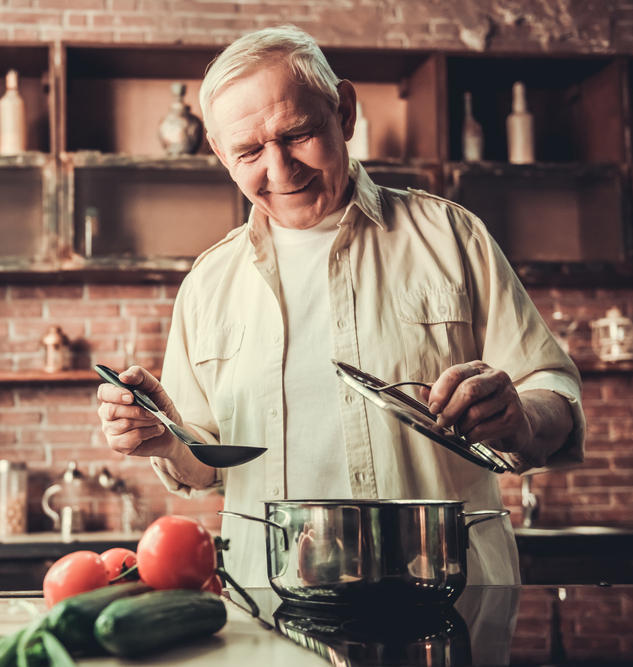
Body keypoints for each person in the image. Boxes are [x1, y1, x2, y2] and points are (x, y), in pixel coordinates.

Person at [96, 25, 585, 588]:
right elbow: (205, 463)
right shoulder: (207, 284)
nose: (280, 171)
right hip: (267, 606)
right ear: (220, 155)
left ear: (345, 112)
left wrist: (521, 420)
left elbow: (556, 390)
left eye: (298, 134)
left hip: (443, 596)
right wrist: (168, 438)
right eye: (250, 151)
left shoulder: (453, 236)